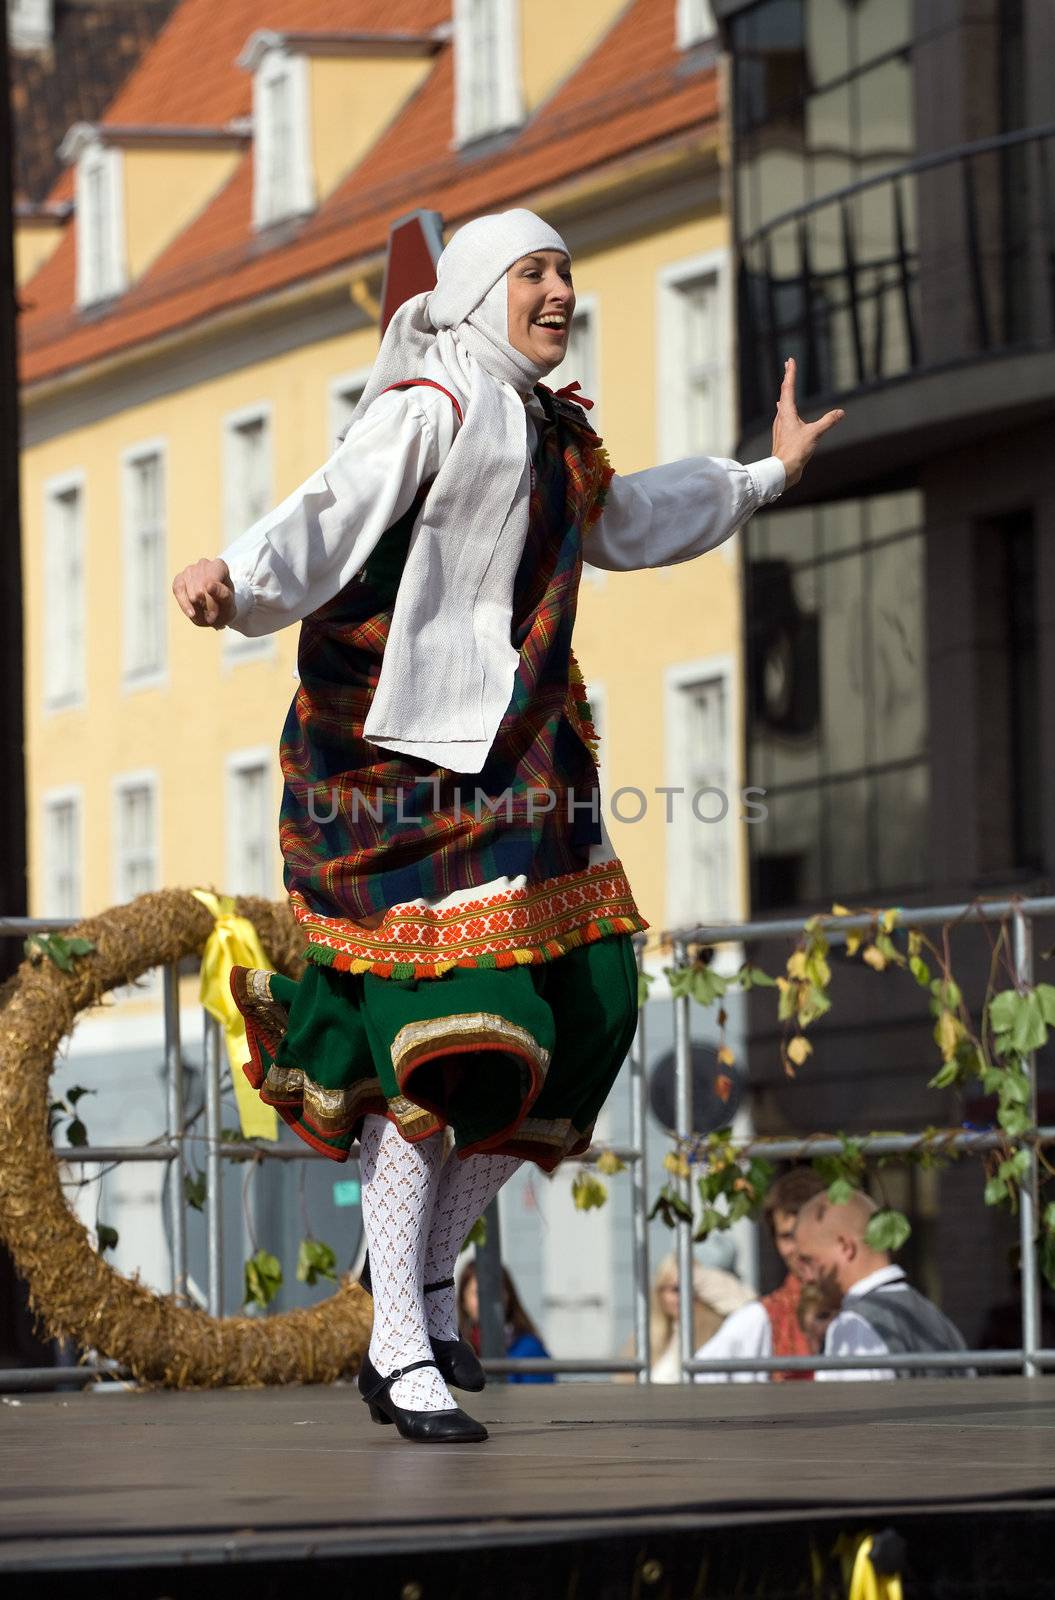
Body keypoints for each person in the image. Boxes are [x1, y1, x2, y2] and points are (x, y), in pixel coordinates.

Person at [173, 209, 843, 1444]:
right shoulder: (430, 401)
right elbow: (327, 509)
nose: (558, 290)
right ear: (479, 293)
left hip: (527, 772)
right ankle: (397, 1340)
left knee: (586, 1012)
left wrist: (767, 472)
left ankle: (425, 1284)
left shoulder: (552, 426)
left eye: (566, 270)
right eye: (533, 271)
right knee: (448, 1046)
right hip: (402, 777)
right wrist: (236, 580)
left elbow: (635, 518)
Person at [793, 1189, 968, 1380]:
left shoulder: (853, 1325)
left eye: (809, 1260)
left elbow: (855, 1409)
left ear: (845, 1247)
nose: (807, 1277)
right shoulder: (938, 1320)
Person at [693, 1165, 826, 1382]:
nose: (801, 1248)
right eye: (788, 1237)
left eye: (810, 1233)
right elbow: (699, 1384)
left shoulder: (863, 1307)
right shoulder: (759, 1320)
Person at [646, 1250, 757, 1383]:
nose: (683, 1296)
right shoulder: (650, 1336)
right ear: (659, 1292)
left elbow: (750, 1306)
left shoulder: (710, 1324)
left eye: (690, 1288)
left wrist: (695, 1275)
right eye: (676, 1289)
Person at [457, 1260, 554, 1383]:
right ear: (463, 1301)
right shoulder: (454, 1350)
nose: (488, 1300)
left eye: (495, 1292)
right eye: (478, 1293)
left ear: (508, 1297)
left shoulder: (529, 1349)